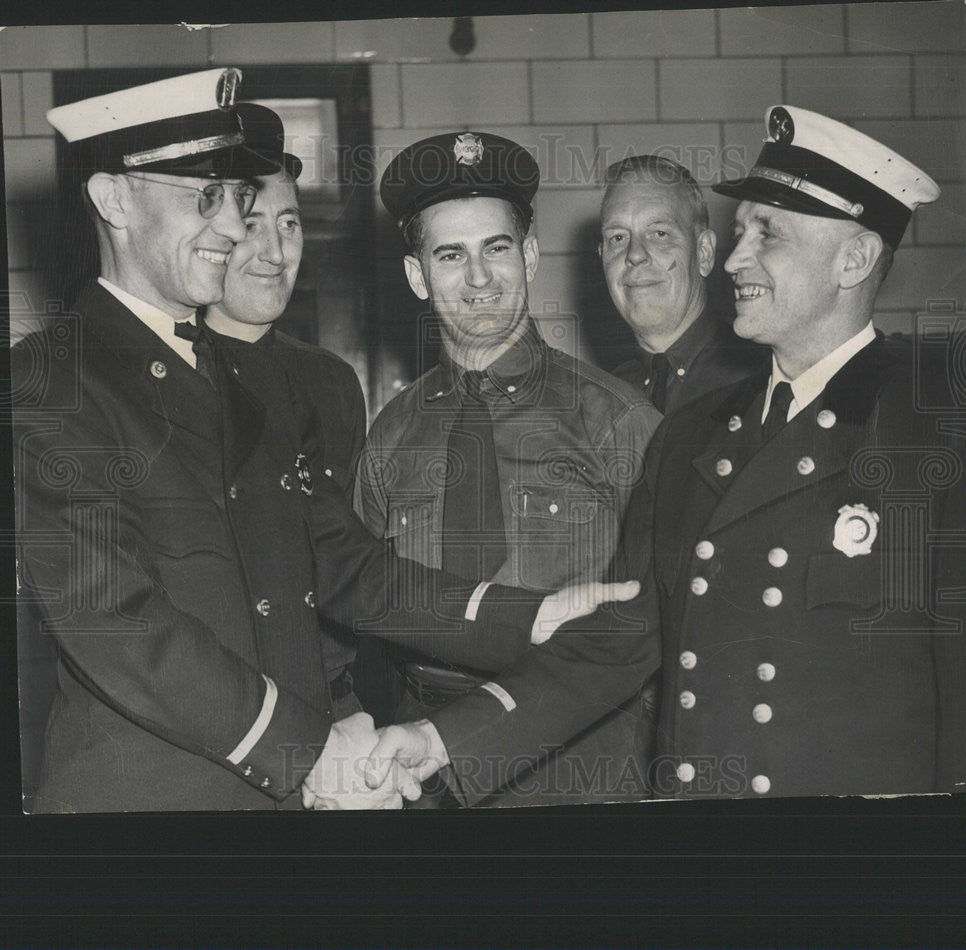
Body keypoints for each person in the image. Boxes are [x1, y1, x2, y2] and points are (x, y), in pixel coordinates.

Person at [15, 70, 641, 812]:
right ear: (114, 199)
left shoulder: (252, 381)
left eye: (239, 199)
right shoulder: (50, 381)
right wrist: (306, 749)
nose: (231, 227)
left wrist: (525, 616)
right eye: (203, 199)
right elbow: (114, 621)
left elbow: (348, 567)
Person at [370, 105, 966, 801]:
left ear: (854, 258)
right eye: (738, 232)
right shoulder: (694, 434)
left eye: (768, 234)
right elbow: (618, 643)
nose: (732, 259)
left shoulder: (942, 420)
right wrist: (440, 742)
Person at [356, 131, 662, 805]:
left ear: (527, 256)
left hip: (581, 761)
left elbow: (657, 619)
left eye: (496, 248)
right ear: (417, 275)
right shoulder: (390, 436)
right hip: (426, 765)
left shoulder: (614, 418)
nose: (478, 277)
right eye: (450, 254)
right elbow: (358, 613)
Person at [201, 103, 369, 724]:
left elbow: (349, 563)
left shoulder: (331, 382)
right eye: (250, 224)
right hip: (220, 717)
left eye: (290, 224)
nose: (275, 251)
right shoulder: (164, 373)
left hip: (329, 701)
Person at [599, 155, 764, 416]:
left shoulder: (763, 381)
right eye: (617, 238)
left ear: (704, 253)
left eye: (660, 234)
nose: (635, 254)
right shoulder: (599, 402)